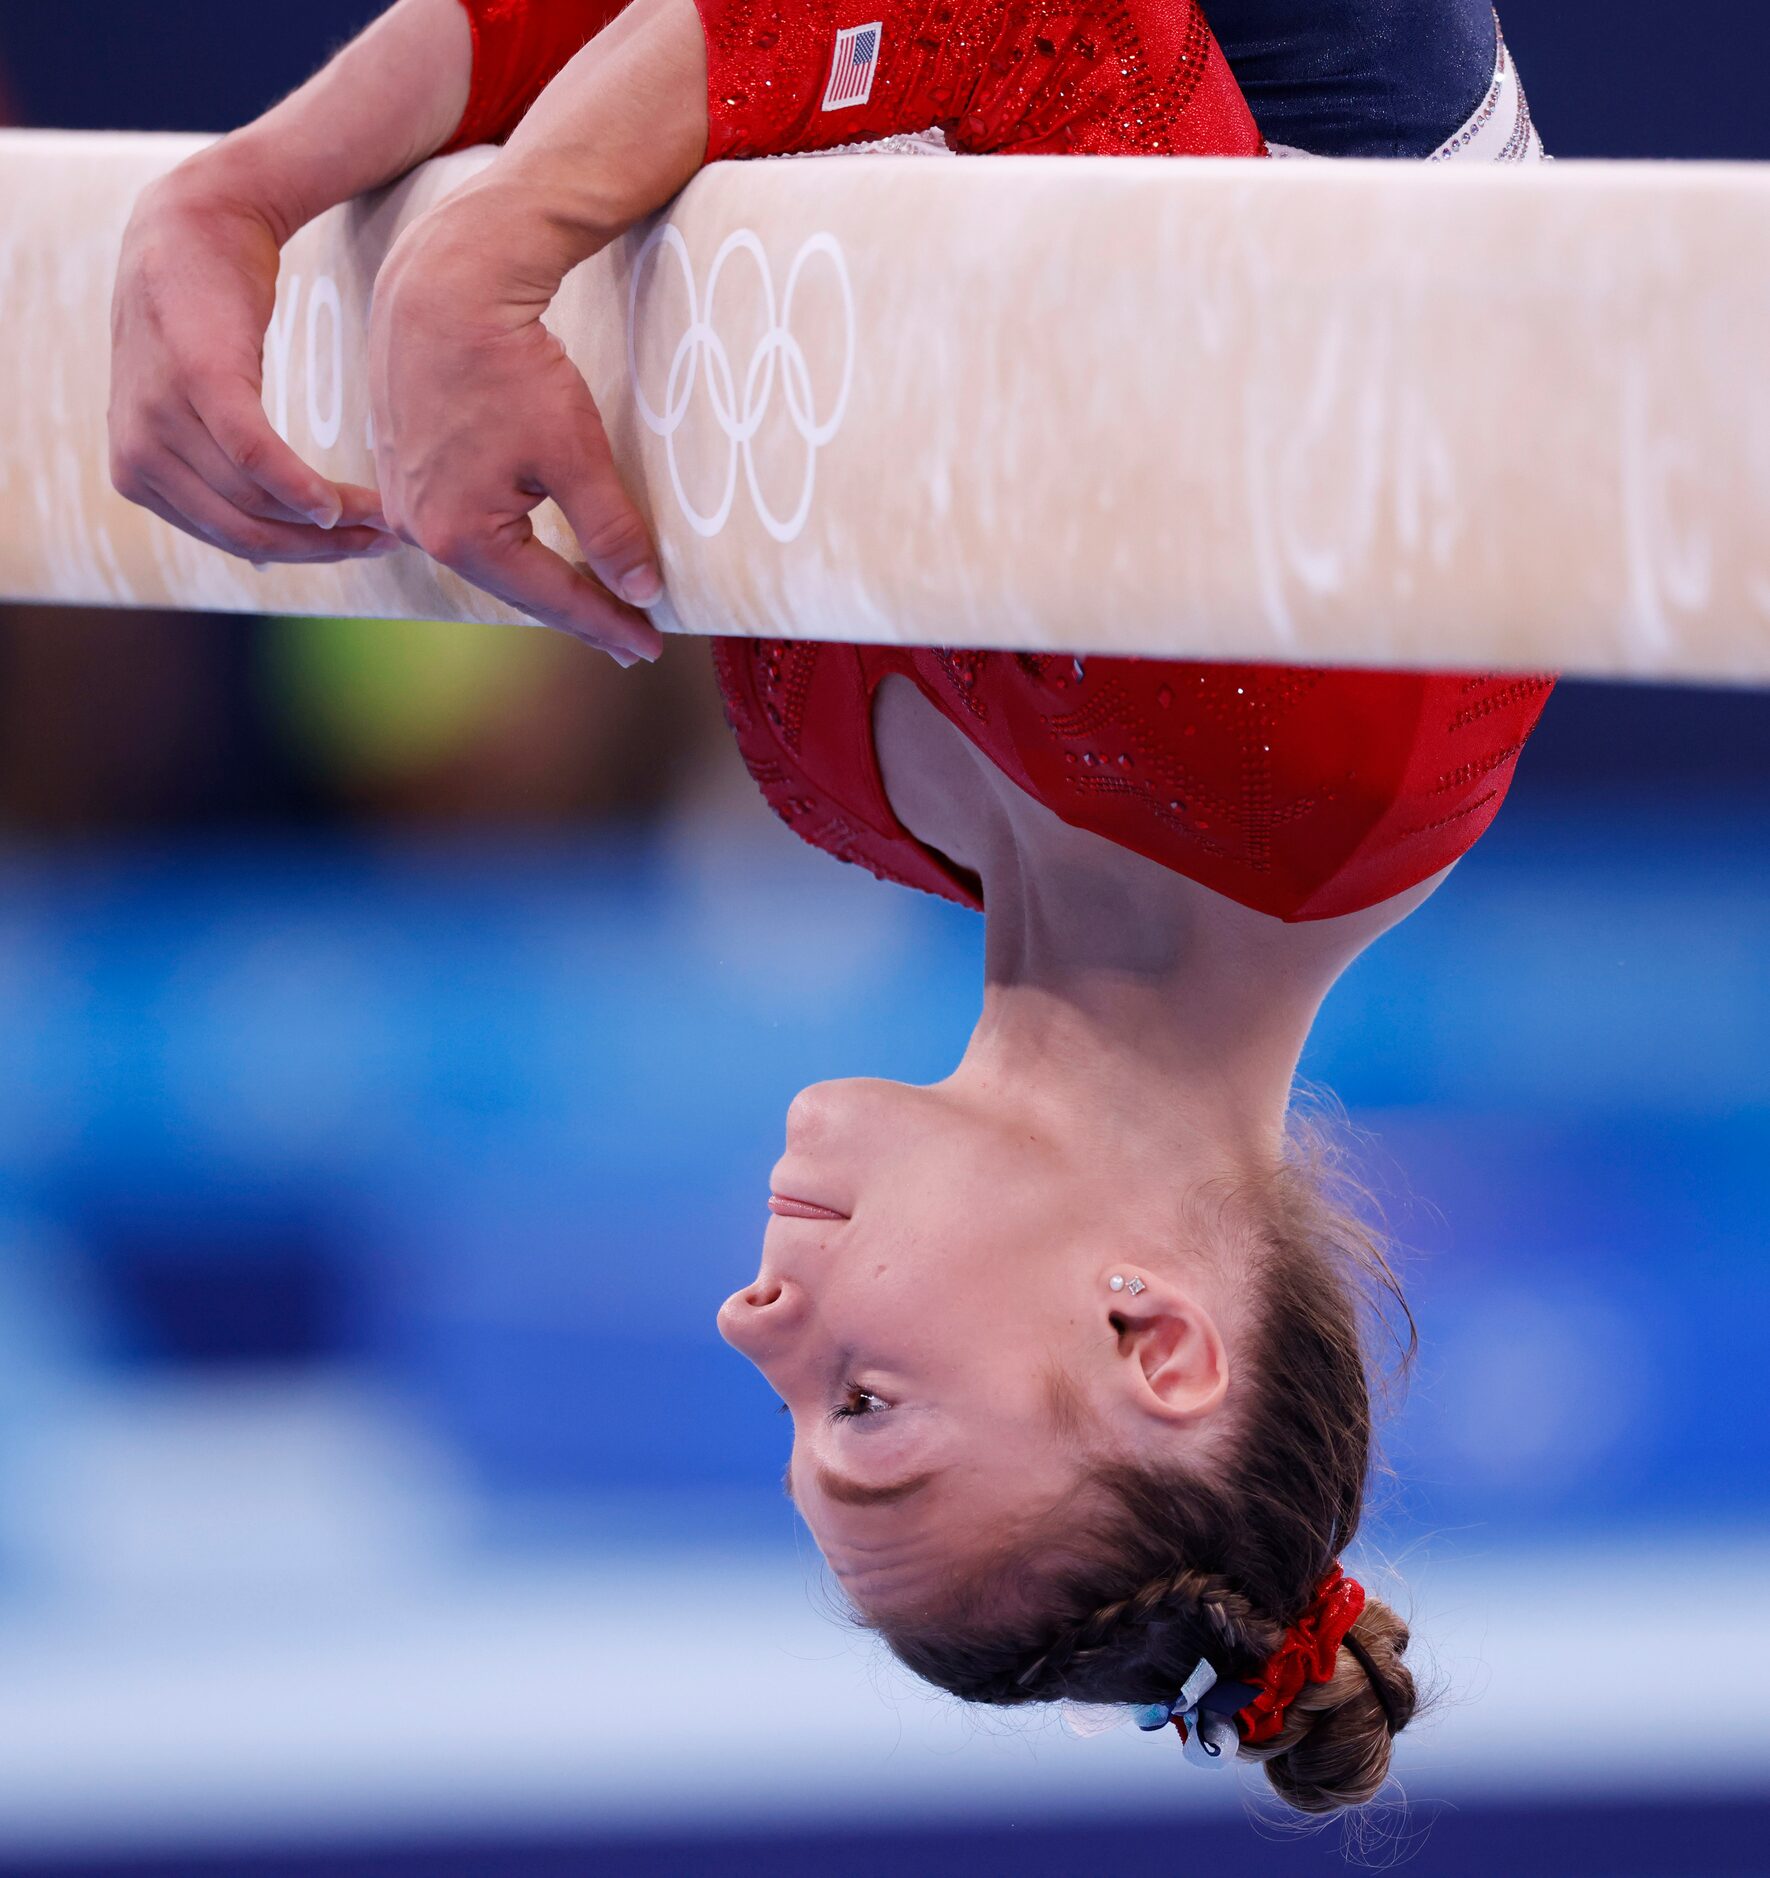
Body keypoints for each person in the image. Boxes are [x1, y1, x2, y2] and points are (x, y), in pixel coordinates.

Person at [107, 0, 1553, 1815]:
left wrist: (252, 185)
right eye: (861, 1409)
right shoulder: (1328, 744)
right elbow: (1024, 22)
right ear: (1149, 1338)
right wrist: (507, 230)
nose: (750, 1321)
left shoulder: (849, 799)